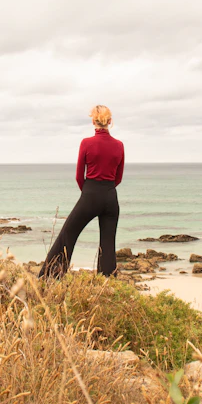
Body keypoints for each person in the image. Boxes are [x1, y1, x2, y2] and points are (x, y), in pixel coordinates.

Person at [39, 105, 125, 279]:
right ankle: (108, 287)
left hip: (90, 194)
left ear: (93, 121)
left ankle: (49, 279)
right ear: (110, 122)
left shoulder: (86, 143)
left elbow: (79, 176)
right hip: (110, 196)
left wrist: (89, 194)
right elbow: (118, 178)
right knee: (107, 245)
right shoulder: (119, 145)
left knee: (67, 235)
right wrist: (106, 190)